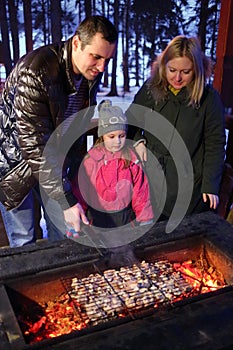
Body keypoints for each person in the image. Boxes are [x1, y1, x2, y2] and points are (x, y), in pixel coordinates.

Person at [0, 15, 118, 246]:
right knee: (24, 242)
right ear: (76, 44)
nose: (102, 67)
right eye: (96, 57)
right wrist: (66, 200)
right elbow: (36, 146)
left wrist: (75, 173)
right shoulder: (35, 72)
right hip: (16, 165)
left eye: (107, 59)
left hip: (54, 164)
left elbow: (76, 129)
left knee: (65, 236)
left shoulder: (89, 73)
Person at [126, 35, 226, 222]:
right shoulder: (150, 89)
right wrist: (138, 141)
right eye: (172, 70)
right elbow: (129, 124)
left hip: (188, 184)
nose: (178, 78)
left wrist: (210, 185)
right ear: (164, 66)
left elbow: (215, 144)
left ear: (196, 70)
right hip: (151, 180)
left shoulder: (209, 99)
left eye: (185, 72)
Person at [68, 100, 154, 236]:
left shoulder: (131, 159)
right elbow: (80, 191)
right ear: (102, 135)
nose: (117, 141)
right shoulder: (91, 160)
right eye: (111, 136)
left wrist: (145, 219)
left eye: (122, 136)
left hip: (125, 219)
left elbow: (141, 192)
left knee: (127, 252)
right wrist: (75, 220)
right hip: (97, 220)